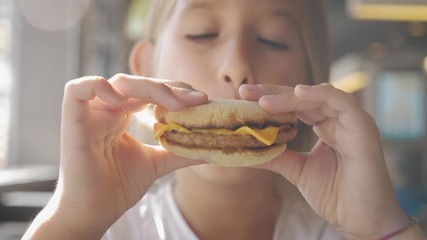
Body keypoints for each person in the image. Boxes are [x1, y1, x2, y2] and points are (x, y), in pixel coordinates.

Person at [23, 0, 427, 239]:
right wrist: (71, 223)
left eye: (273, 39)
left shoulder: (350, 231)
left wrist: (382, 227)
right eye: (201, 33)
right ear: (147, 66)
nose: (237, 65)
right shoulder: (104, 229)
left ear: (311, 78)